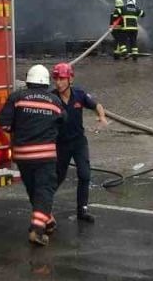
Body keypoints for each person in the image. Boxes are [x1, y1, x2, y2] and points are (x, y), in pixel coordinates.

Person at [0, 64, 66, 246]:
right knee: (45, 190)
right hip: (45, 156)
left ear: (28, 81)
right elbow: (63, 123)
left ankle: (48, 221)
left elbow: (3, 123)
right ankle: (37, 230)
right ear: (46, 82)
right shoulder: (55, 101)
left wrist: (18, 130)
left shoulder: (17, 98)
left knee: (35, 190)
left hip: (22, 156)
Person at [51, 62, 109, 224]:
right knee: (58, 177)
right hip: (61, 145)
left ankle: (82, 210)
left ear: (70, 79)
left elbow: (97, 105)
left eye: (62, 78)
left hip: (78, 143)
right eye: (56, 78)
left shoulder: (79, 95)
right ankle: (42, 207)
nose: (59, 82)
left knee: (84, 175)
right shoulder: (52, 98)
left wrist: (102, 117)